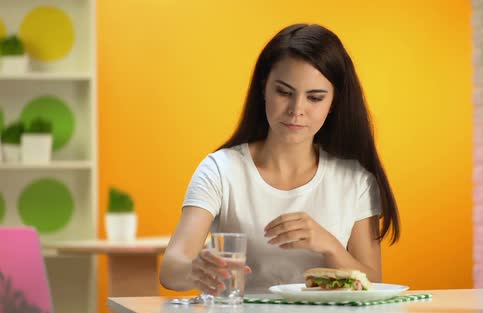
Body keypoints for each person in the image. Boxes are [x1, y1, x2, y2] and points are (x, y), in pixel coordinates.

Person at [159, 23, 400, 295]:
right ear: (264, 87)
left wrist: (328, 245)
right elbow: (171, 269)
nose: (297, 110)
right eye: (284, 92)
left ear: (334, 102)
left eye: (315, 98)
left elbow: (374, 283)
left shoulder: (356, 180)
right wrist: (197, 270)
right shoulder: (220, 170)